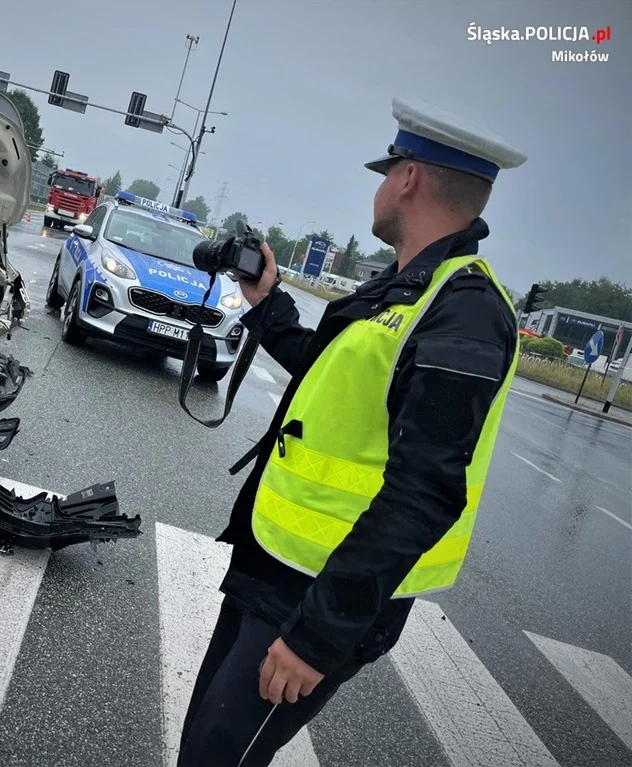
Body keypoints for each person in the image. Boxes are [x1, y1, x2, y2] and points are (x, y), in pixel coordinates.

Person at [177, 96, 526, 766]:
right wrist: (268, 305)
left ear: (409, 178)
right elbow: (328, 375)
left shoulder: (466, 310)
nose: (379, 188)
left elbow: (423, 492)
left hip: (315, 595)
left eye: (385, 171)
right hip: (272, 566)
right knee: (202, 747)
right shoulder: (400, 286)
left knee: (215, 758)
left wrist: (319, 634)